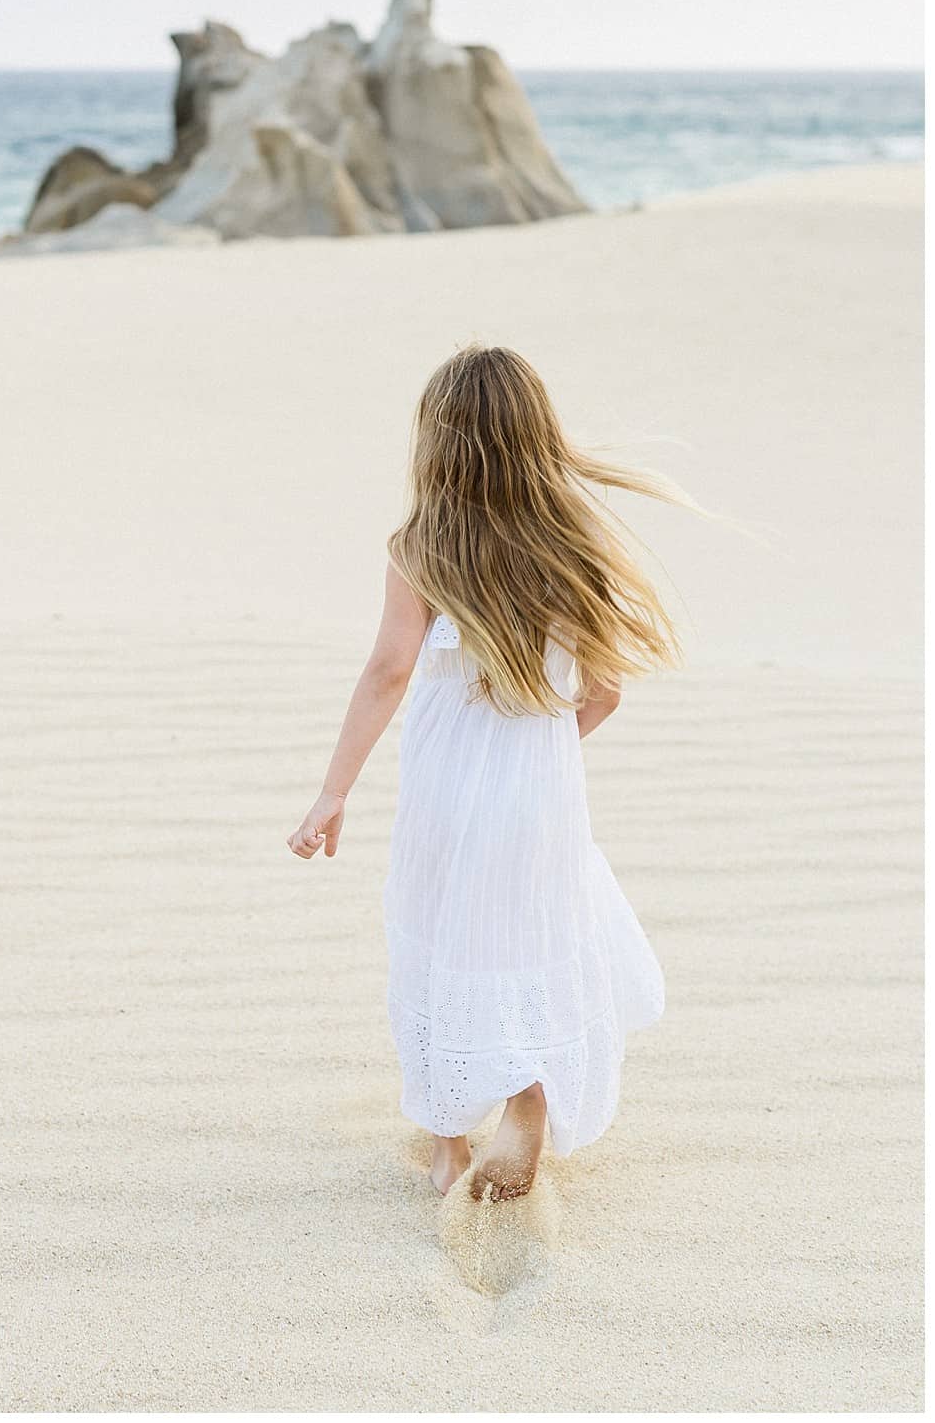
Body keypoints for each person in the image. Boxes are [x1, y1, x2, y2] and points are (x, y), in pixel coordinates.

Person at [288, 345, 684, 1203]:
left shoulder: (420, 545)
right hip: (542, 789)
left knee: (441, 936)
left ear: (437, 442)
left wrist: (334, 790)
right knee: (529, 935)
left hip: (445, 794)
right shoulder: (566, 540)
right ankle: (528, 1089)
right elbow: (607, 693)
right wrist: (541, 762)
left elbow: (389, 669)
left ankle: (447, 1144)